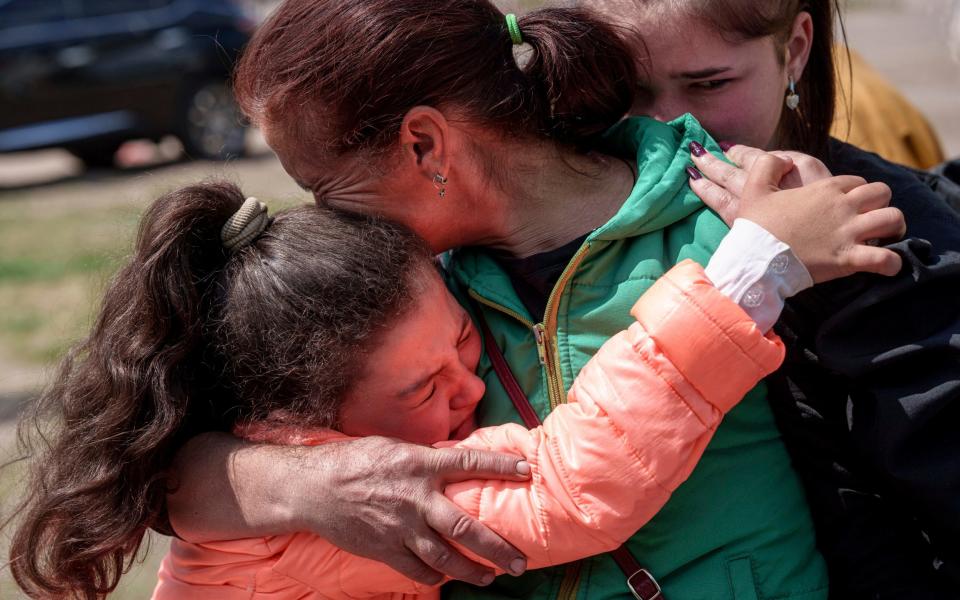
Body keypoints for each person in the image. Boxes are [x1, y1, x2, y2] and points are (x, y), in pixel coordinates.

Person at [161, 2, 910, 599]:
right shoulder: (396, 298)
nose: (323, 218)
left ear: (425, 145)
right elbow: (164, 477)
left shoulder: (742, 222)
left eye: (324, 186)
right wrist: (307, 483)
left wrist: (761, 255)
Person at [10, 177, 868, 600]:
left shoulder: (254, 481)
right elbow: (572, 485)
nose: (469, 389)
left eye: (465, 340)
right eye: (425, 386)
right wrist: (743, 276)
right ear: (295, 423)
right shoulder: (353, 491)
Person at [590, 0, 960, 596]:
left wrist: (853, 284)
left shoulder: (911, 232)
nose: (665, 126)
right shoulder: (562, 228)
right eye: (625, 92)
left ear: (794, 49)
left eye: (708, 84)